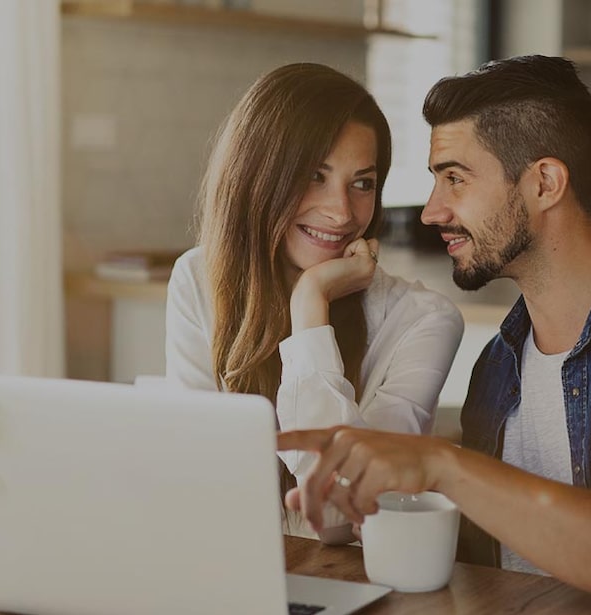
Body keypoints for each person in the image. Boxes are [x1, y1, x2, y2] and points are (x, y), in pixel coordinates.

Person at [278, 55, 591, 610]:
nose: (432, 211)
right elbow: (479, 568)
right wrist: (362, 515)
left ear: (544, 183)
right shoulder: (498, 367)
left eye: (454, 179)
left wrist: (441, 464)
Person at [166, 63, 465, 543]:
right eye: (314, 176)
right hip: (224, 568)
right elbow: (194, 481)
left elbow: (341, 511)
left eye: (362, 183)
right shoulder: (198, 280)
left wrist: (310, 307)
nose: (342, 211)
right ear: (256, 175)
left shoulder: (424, 322)